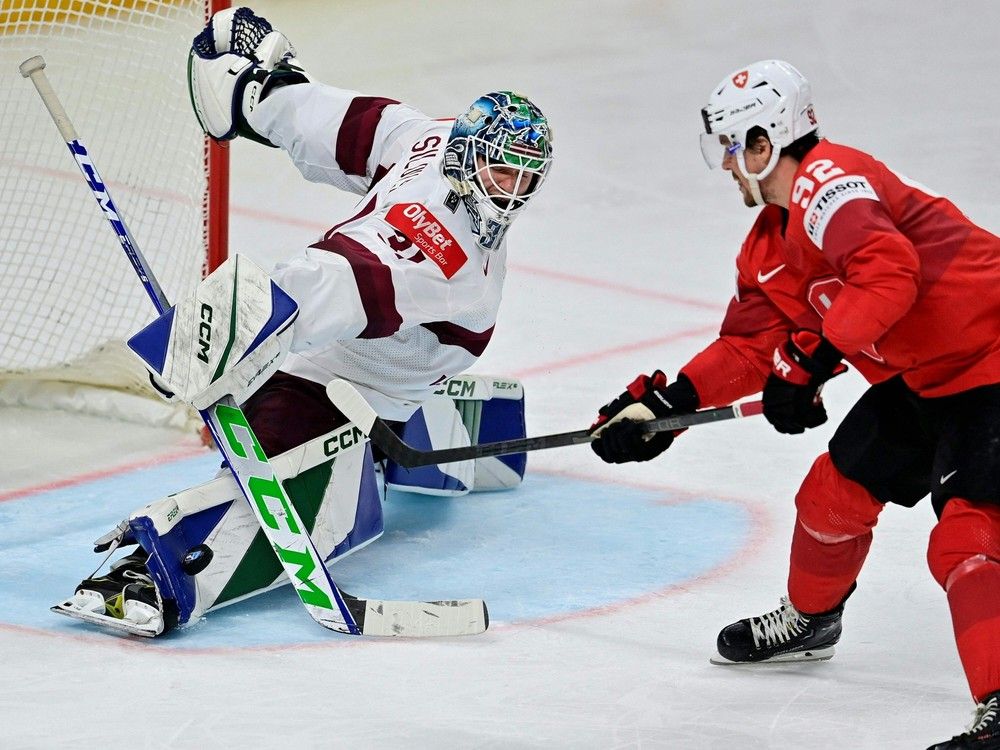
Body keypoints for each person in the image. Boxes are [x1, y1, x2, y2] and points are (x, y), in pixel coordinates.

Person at [55, 7, 552, 637]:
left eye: (524, 179)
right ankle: (155, 571)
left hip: (374, 371)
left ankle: (161, 571)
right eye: (499, 171)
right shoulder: (422, 140)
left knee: (304, 473)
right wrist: (263, 93)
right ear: (462, 154)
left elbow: (339, 282)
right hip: (351, 358)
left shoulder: (453, 264)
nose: (508, 194)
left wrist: (231, 331)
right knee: (305, 460)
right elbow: (332, 124)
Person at [589, 59, 1000, 749]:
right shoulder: (768, 246)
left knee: (966, 536)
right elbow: (752, 346)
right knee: (829, 495)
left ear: (763, 143)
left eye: (731, 147)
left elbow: (888, 274)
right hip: (926, 378)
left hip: (991, 362)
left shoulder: (830, 186)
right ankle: (812, 622)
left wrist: (812, 358)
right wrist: (668, 407)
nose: (726, 165)